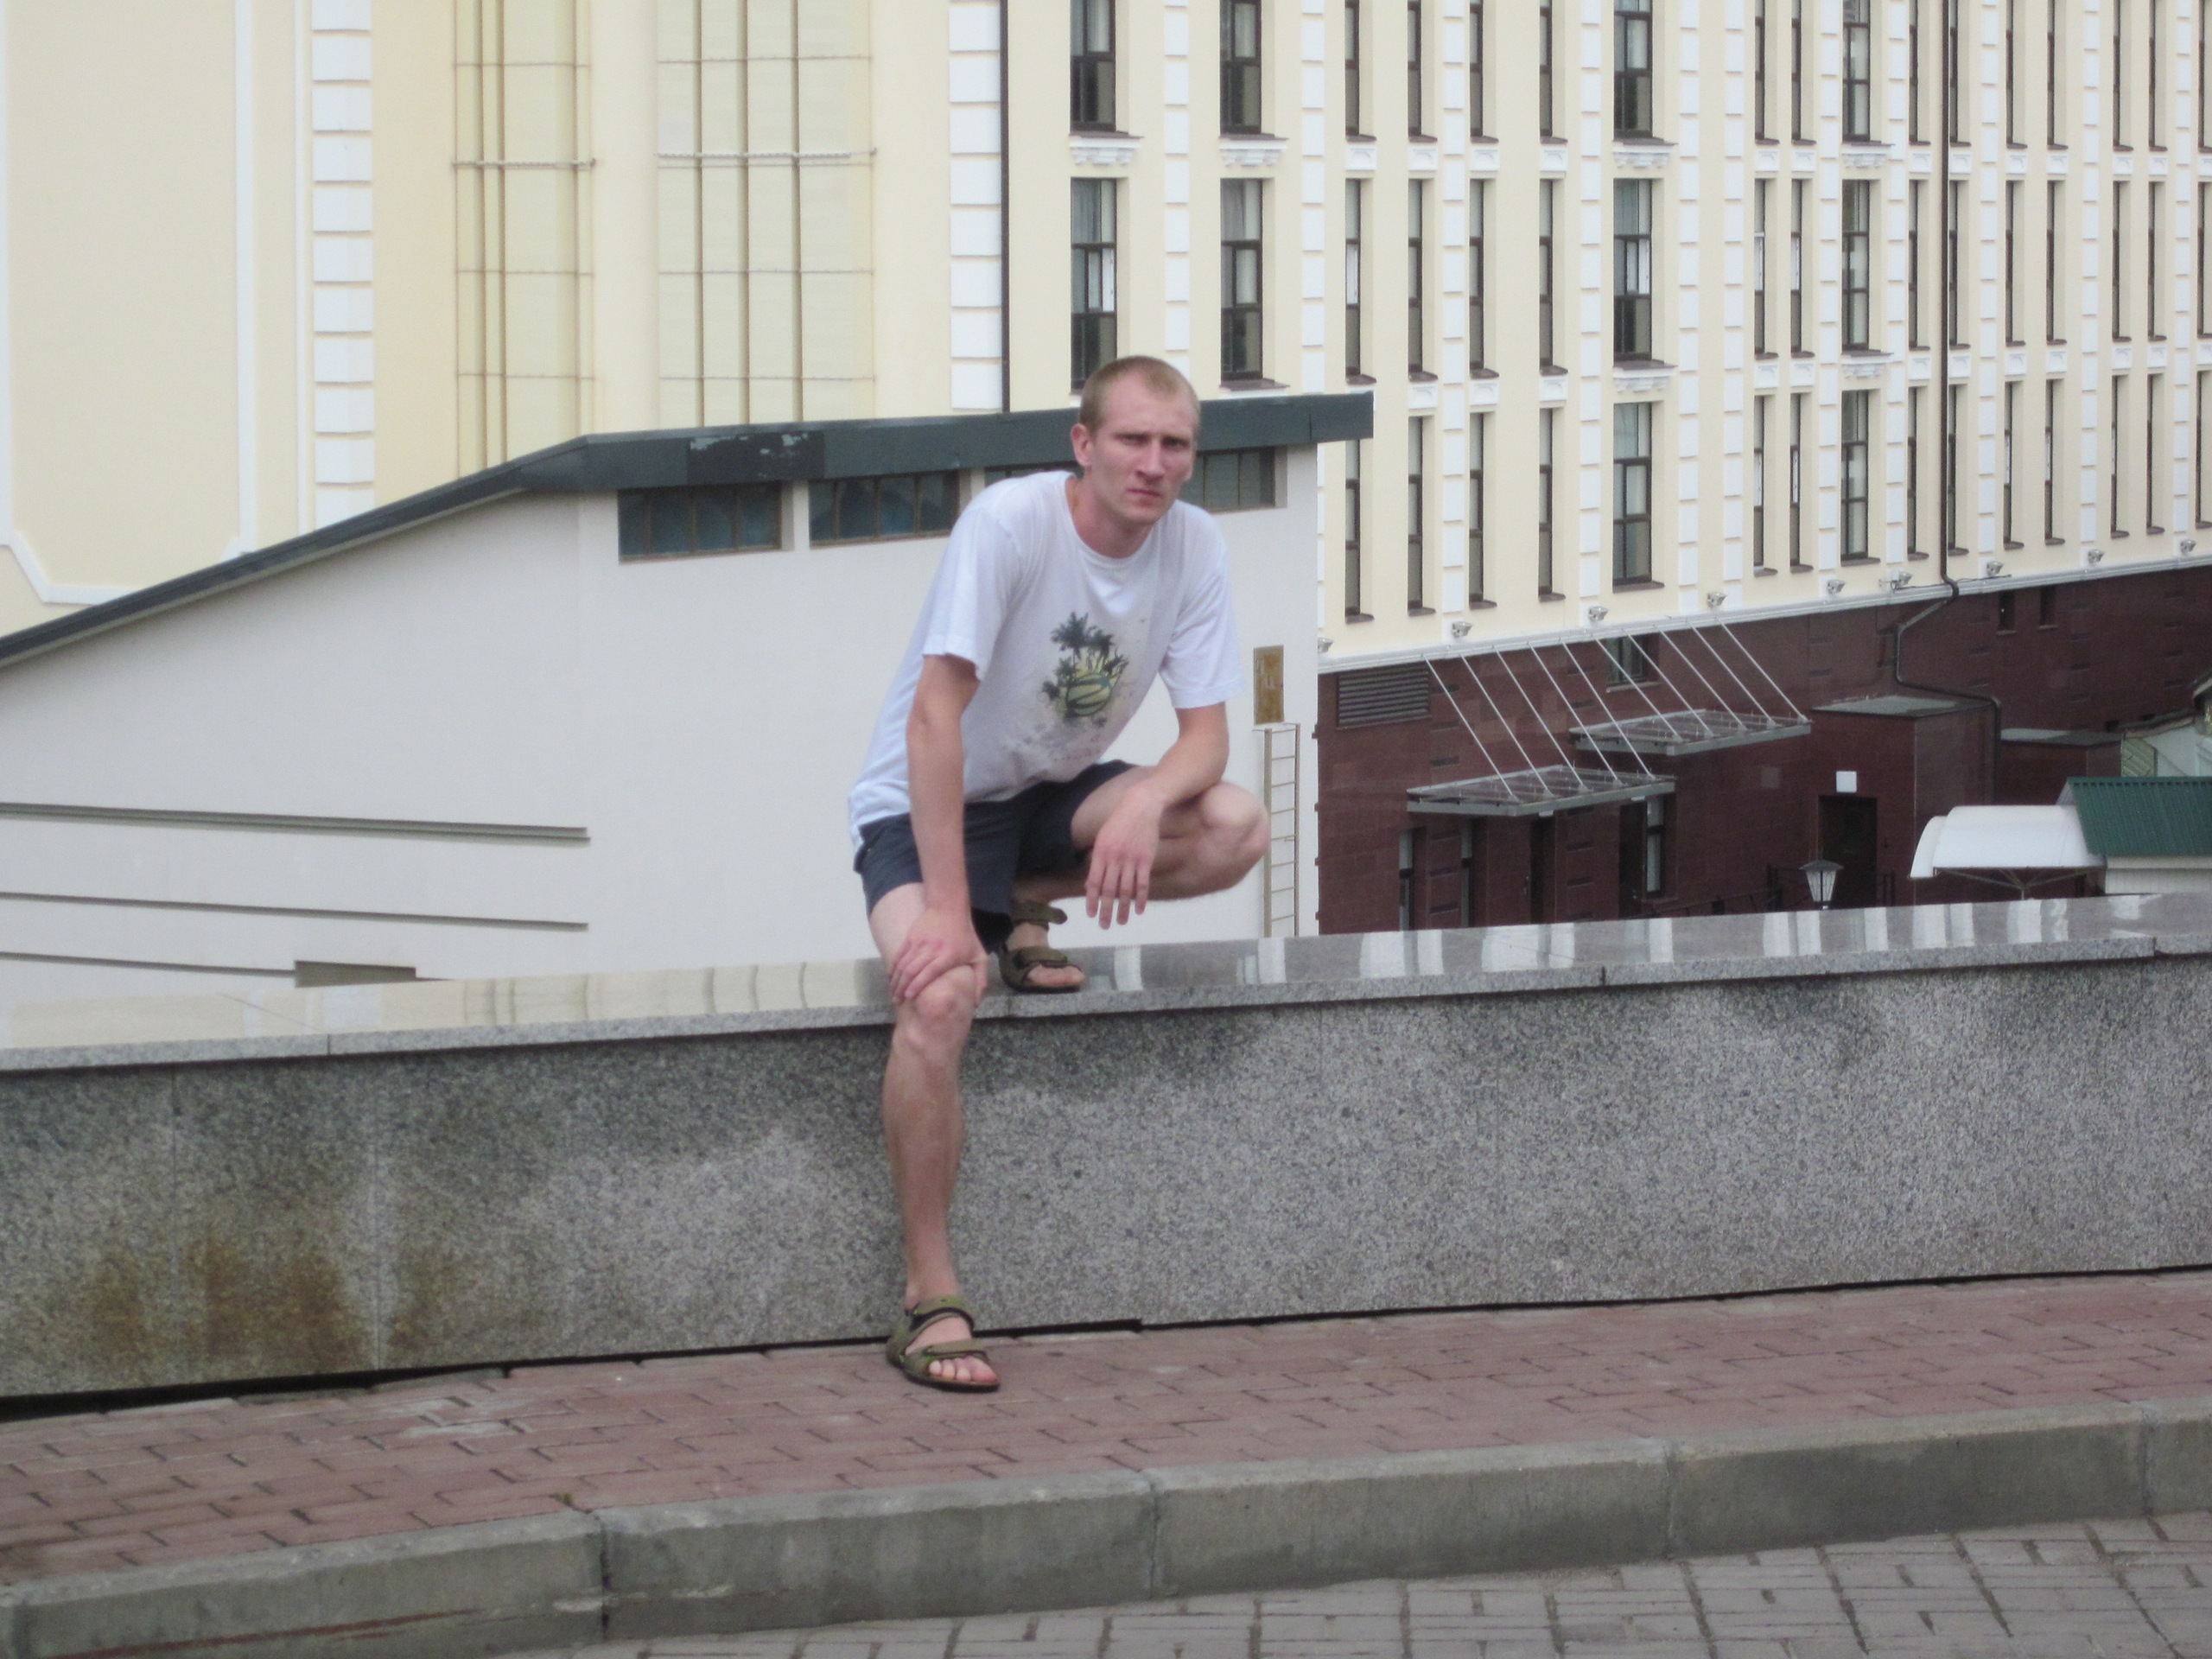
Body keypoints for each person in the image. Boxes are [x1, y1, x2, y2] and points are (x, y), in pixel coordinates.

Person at [848, 356, 1268, 1392]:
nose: (1153, 464)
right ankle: (929, 1296)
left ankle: (1027, 901)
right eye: (1132, 439)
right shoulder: (1011, 523)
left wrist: (1142, 799)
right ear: (1083, 445)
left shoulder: (1194, 544)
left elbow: (1207, 739)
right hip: (926, 803)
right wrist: (950, 911)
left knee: (1232, 826)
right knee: (941, 993)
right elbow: (932, 718)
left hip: (1049, 797)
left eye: (1174, 445)